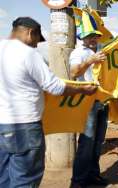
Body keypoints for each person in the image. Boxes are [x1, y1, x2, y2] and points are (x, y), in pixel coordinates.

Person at [0, 17, 98, 188]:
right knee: (25, 180)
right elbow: (54, 86)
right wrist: (82, 90)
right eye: (37, 41)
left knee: (4, 177)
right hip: (25, 127)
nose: (37, 45)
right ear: (30, 33)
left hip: (2, 126)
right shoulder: (28, 53)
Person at [69, 27, 109, 187]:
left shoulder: (102, 49)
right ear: (82, 37)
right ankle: (77, 181)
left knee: (98, 141)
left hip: (103, 101)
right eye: (89, 36)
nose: (93, 38)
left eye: (95, 36)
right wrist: (90, 61)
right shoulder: (78, 53)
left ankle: (93, 175)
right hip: (87, 103)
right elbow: (73, 73)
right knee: (86, 142)